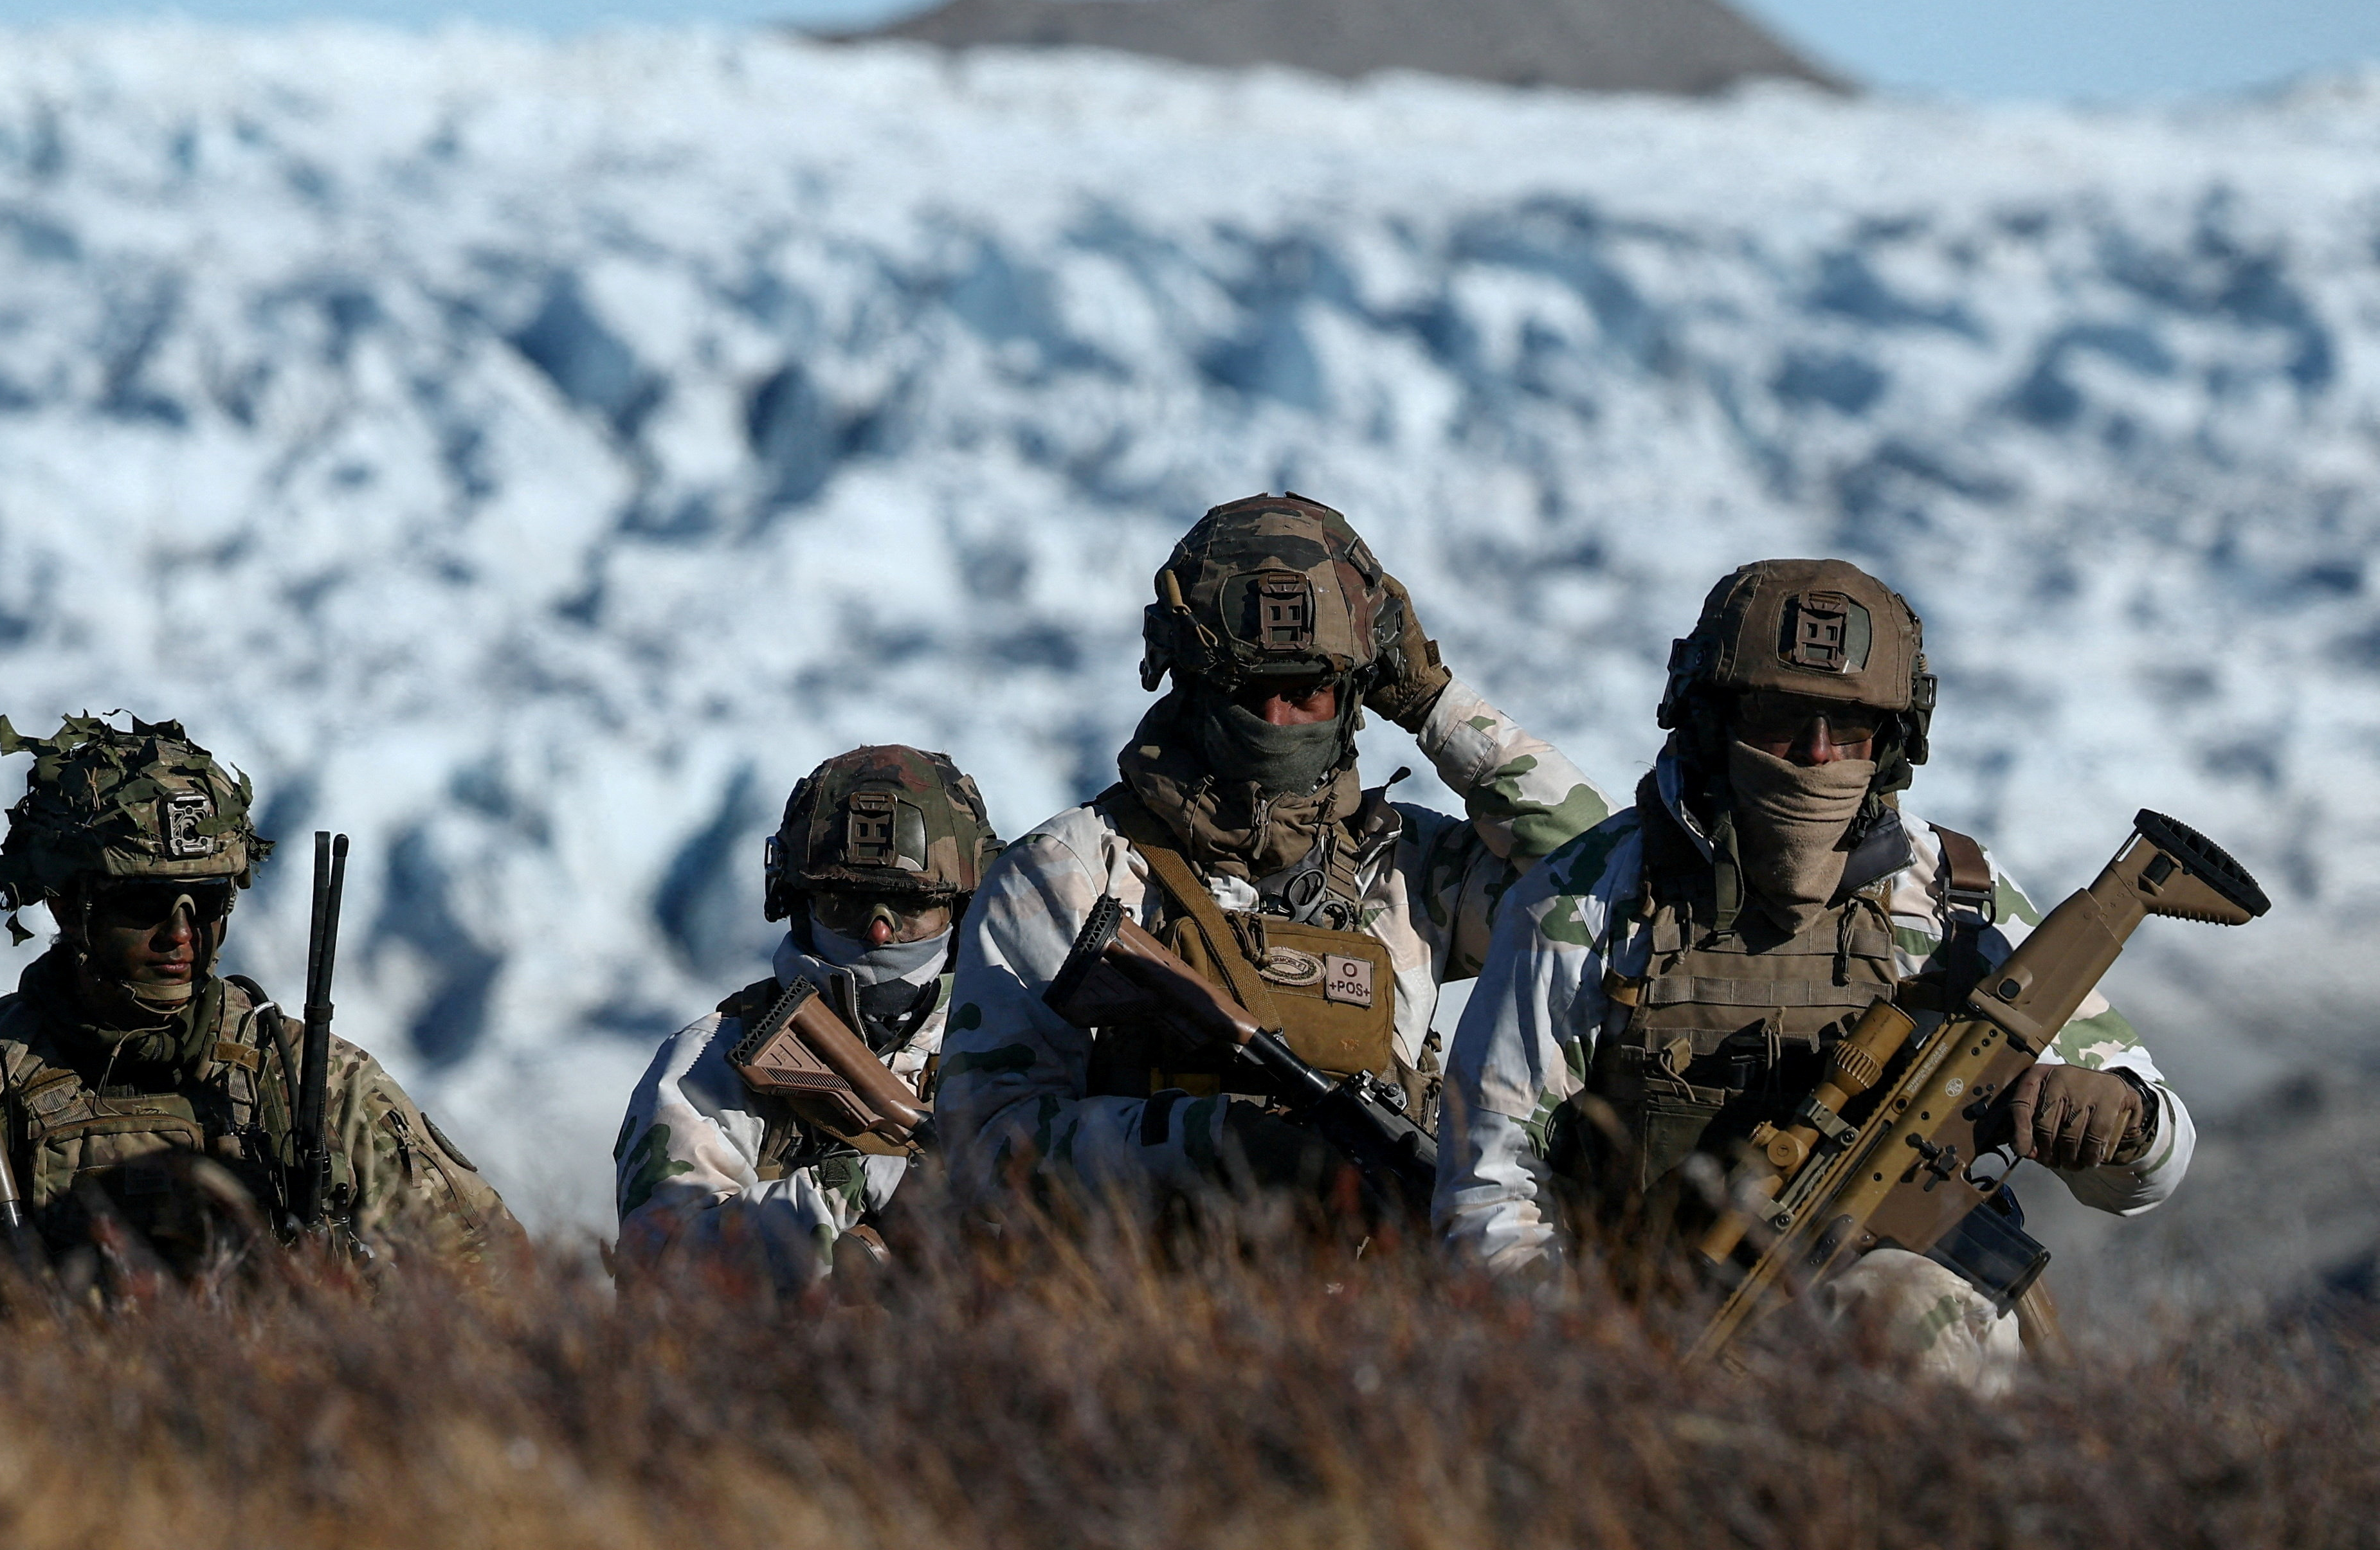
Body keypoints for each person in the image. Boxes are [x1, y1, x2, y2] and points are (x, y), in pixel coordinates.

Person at [1438, 559, 2192, 1375]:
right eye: (1777, 717)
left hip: (1916, 1363)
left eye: (1851, 726)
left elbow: (2151, 1170)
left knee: (1910, 1304)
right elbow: (1491, 1187)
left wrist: (2122, 1117)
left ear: (1892, 741)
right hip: (1656, 1347)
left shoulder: (1953, 903)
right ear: (1709, 718)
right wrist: (1585, 1370)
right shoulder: (1589, 900)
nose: (1816, 752)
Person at [936, 494, 1608, 1224]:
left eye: (1307, 690)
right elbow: (984, 1149)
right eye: (1245, 688)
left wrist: (1432, 703)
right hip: (1143, 1282)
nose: (1275, 721)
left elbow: (1596, 877)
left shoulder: (1408, 870)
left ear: (1356, 693)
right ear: (1188, 680)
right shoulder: (1066, 873)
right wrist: (1201, 1142)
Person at [0, 714, 517, 1285]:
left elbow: (499, 1278)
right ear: (68, 905)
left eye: (207, 900)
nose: (181, 933)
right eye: (144, 903)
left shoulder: (314, 1083)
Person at [612, 745, 997, 1283]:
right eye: (846, 901)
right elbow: (659, 1274)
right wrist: (849, 1186)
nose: (879, 931)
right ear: (798, 901)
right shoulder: (714, 1062)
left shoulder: (1015, 1045)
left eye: (912, 904)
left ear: (961, 906)